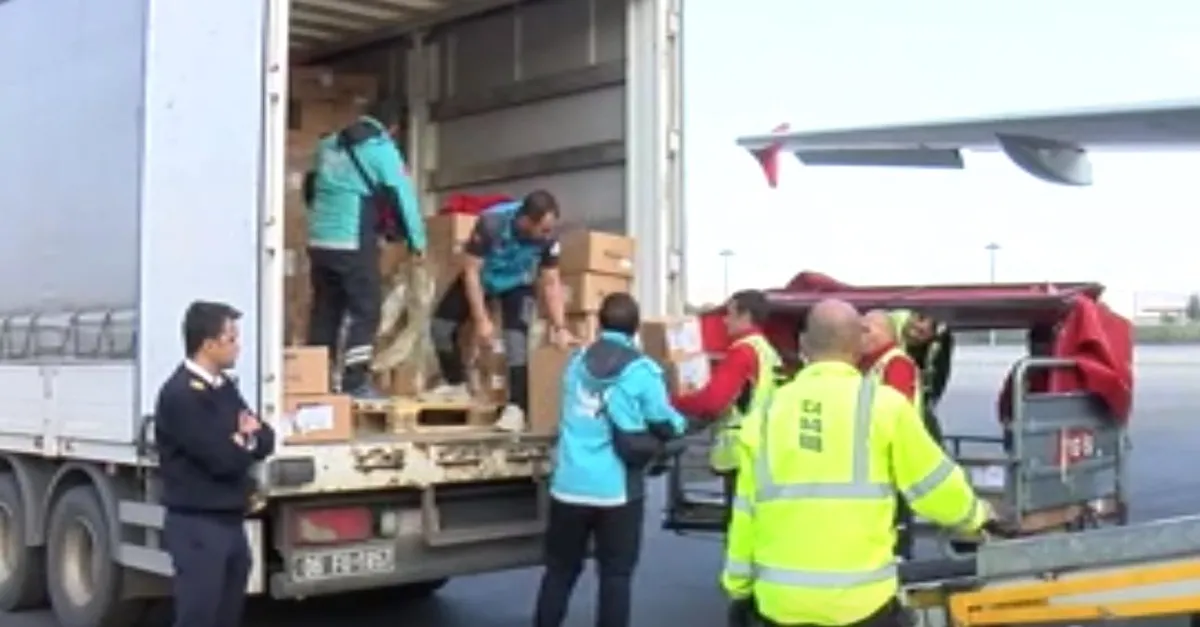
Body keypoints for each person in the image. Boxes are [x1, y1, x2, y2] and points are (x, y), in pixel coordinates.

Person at [724, 299, 989, 627]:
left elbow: (745, 512)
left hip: (780, 604)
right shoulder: (884, 406)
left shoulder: (764, 415)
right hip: (862, 605)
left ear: (803, 345)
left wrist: (738, 587)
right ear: (858, 346)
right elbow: (936, 488)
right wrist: (975, 516)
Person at [534, 293, 688, 627]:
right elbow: (665, 422)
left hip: (568, 486)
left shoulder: (576, 364)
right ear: (635, 328)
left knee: (559, 572)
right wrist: (681, 424)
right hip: (616, 493)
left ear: (599, 323)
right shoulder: (642, 370)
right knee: (615, 576)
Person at [154, 301, 276, 627]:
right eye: (231, 338)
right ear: (208, 345)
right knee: (199, 615)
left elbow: (266, 438)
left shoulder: (224, 388)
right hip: (198, 525)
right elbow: (221, 460)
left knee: (227, 614)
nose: (238, 346)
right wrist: (244, 441)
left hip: (230, 520)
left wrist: (245, 440)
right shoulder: (181, 395)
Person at [304, 101, 426, 398]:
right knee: (366, 309)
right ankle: (354, 381)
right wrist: (417, 241)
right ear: (392, 128)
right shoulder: (381, 150)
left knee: (326, 310)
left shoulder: (327, 145)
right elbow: (402, 196)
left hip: (319, 240)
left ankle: (314, 379)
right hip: (351, 239)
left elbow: (310, 186)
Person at [427, 191, 576, 431]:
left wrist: (560, 327)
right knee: (440, 328)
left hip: (517, 282)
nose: (548, 234)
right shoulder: (491, 223)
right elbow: (471, 272)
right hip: (485, 277)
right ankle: (456, 383)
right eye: (543, 229)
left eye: (550, 229)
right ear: (526, 221)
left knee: (516, 343)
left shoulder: (549, 238)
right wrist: (481, 319)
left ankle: (517, 407)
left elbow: (551, 282)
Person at [672, 289, 780, 518]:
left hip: (740, 452)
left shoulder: (742, 352)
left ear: (745, 315)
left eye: (730, 314)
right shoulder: (766, 350)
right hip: (761, 449)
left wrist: (674, 401)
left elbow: (713, 402)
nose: (724, 320)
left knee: (739, 522)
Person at [861, 309, 924, 560]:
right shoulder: (876, 364)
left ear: (883, 333)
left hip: (893, 463)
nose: (859, 335)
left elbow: (893, 413)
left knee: (896, 530)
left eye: (865, 330)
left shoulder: (895, 363)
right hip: (885, 462)